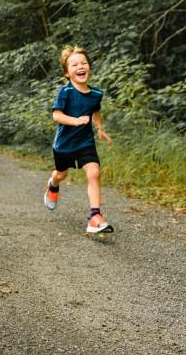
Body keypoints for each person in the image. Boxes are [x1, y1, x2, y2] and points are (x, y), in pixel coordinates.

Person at [43, 45, 114, 234]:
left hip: (85, 142)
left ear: (89, 67)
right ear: (67, 73)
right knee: (61, 174)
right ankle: (53, 184)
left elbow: (95, 111)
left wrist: (99, 128)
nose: (80, 66)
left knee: (94, 173)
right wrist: (75, 121)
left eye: (84, 63)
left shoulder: (96, 94)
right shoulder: (65, 92)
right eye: (74, 64)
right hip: (64, 144)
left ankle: (95, 217)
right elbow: (56, 116)